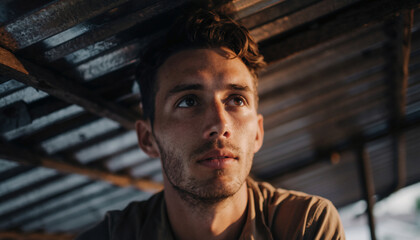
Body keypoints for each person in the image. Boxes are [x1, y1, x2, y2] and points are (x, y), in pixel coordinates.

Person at [76, 8, 345, 240]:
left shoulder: (305, 225)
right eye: (188, 101)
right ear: (148, 138)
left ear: (257, 133)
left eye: (237, 100)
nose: (219, 123)